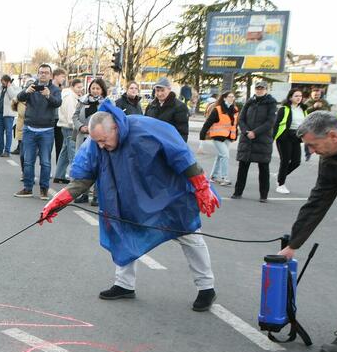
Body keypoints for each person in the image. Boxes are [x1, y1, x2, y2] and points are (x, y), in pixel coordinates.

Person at [40, 100, 220, 311]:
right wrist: (57, 202)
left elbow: (182, 156)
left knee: (189, 235)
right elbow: (83, 178)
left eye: (103, 140)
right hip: (127, 198)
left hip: (167, 194)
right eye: (97, 142)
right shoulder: (96, 143)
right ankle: (124, 284)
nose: (101, 146)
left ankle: (206, 288)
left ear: (115, 128)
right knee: (122, 234)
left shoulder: (146, 128)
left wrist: (201, 186)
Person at [278, 110, 337, 352]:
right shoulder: (331, 159)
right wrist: (293, 245)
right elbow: (317, 202)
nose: (311, 151)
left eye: (313, 145)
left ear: (333, 136)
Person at [15, 64, 62, 199]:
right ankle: (28, 188)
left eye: (46, 73)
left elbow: (58, 103)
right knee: (28, 160)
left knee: (45, 162)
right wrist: (26, 92)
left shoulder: (54, 89)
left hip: (46, 130)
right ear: (38, 74)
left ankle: (44, 189)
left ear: (50, 75)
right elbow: (19, 97)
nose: (43, 75)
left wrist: (48, 95)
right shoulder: (32, 86)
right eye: (41, 72)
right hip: (29, 128)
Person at [231, 81, 278, 202]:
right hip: (247, 139)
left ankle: (263, 196)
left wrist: (255, 132)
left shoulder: (271, 103)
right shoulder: (250, 101)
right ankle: (237, 192)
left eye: (262, 88)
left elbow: (270, 122)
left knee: (263, 168)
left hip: (263, 140)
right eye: (257, 88)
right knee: (243, 167)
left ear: (266, 90)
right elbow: (241, 119)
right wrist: (246, 131)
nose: (259, 90)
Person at [73, 78, 108, 205]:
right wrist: (80, 126)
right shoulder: (82, 101)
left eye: (98, 88)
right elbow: (75, 116)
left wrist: (96, 130)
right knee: (84, 166)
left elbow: (109, 120)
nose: (95, 90)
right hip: (83, 137)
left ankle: (97, 196)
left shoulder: (107, 103)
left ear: (102, 90)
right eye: (93, 88)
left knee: (98, 167)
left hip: (98, 140)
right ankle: (84, 194)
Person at [198, 90, 238, 186]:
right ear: (224, 98)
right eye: (229, 97)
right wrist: (202, 134)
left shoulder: (235, 109)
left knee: (221, 155)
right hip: (217, 136)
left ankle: (214, 176)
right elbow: (208, 122)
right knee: (225, 155)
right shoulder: (218, 109)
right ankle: (225, 178)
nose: (232, 99)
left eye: (233, 97)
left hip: (228, 136)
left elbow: (235, 124)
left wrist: (235, 134)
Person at [274, 88, 307, 194]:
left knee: (296, 162)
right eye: (296, 96)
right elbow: (276, 124)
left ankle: (280, 176)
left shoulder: (303, 110)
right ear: (290, 97)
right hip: (284, 137)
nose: (299, 98)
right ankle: (280, 184)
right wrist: (273, 138)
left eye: (300, 96)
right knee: (285, 160)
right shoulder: (284, 109)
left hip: (296, 137)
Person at [53, 77, 82, 183]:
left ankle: (59, 175)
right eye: (78, 87)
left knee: (65, 152)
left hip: (65, 126)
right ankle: (75, 178)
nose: (80, 89)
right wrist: (76, 127)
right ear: (72, 87)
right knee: (72, 153)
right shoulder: (70, 97)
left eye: (81, 87)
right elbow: (71, 114)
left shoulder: (69, 95)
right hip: (70, 127)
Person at [0, 75, 19, 157]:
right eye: (1, 82)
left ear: (8, 82)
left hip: (8, 114)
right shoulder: (0, 87)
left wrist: (9, 87)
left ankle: (7, 151)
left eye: (3, 82)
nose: (2, 83)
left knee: (8, 132)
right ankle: (0, 150)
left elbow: (13, 96)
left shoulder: (14, 87)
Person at [49, 68, 68, 160]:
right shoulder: (49, 88)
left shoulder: (62, 89)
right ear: (55, 76)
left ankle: (59, 167)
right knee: (48, 146)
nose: (63, 79)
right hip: (50, 119)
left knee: (60, 146)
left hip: (60, 120)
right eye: (62, 76)